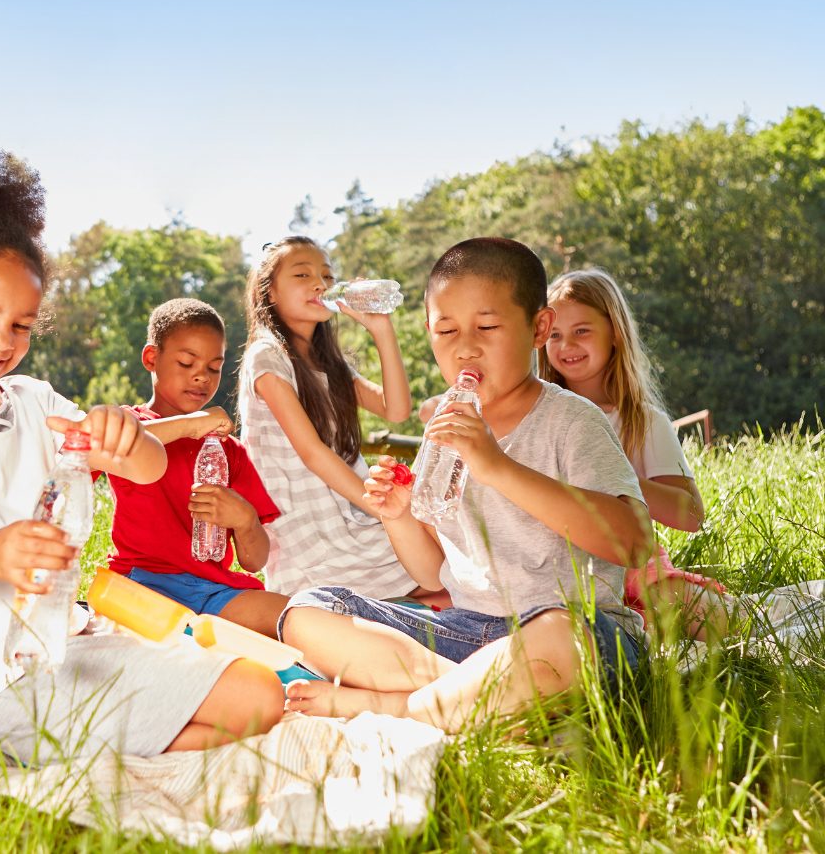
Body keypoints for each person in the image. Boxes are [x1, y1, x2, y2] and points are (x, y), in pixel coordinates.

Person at [0, 142, 283, 763]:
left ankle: (117, 747)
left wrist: (124, 438)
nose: (0, 341)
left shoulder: (33, 401)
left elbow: (143, 463)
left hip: (63, 649)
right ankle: (91, 749)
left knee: (259, 692)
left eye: (21, 324)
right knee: (231, 717)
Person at [279, 237, 654, 733]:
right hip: (470, 633)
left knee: (560, 638)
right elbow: (435, 574)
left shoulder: (571, 420)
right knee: (306, 613)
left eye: (488, 327)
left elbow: (633, 541)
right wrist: (398, 517)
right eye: (446, 330)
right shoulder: (446, 430)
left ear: (539, 327)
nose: (465, 347)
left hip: (574, 629)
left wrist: (497, 466)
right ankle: (476, 697)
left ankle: (404, 708)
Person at [541, 267, 731, 640]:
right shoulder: (535, 416)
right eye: (555, 335)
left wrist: (617, 479)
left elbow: (691, 514)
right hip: (553, 569)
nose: (566, 346)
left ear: (614, 332)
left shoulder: (640, 420)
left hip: (630, 566)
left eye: (582, 331)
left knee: (700, 612)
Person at [238, 235, 419, 600]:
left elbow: (397, 410)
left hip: (352, 515)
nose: (320, 284)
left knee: (444, 564)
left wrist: (382, 330)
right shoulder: (267, 356)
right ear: (269, 293)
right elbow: (312, 453)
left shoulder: (330, 365)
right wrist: (380, 506)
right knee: (432, 578)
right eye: (302, 275)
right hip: (309, 531)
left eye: (326, 276)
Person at [105, 298, 286, 637]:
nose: (201, 376)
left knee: (293, 618)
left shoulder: (230, 452)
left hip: (214, 592)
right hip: (142, 584)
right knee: (181, 645)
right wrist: (193, 424)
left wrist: (245, 521)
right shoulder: (134, 423)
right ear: (151, 358)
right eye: (187, 363)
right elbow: (120, 444)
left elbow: (255, 560)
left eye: (214, 368)